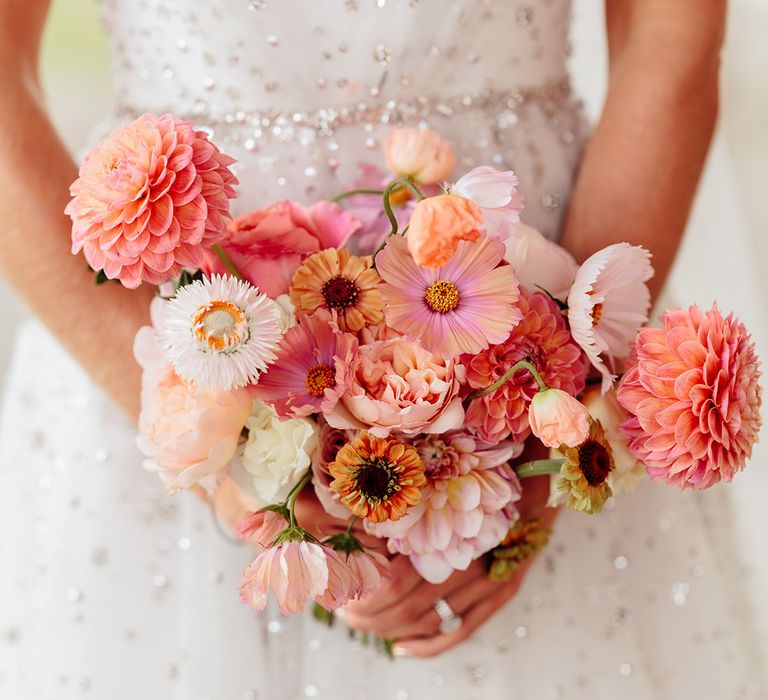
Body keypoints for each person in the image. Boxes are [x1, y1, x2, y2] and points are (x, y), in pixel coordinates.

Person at [2, 1, 763, 698]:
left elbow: (668, 36)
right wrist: (215, 443)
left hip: (532, 320)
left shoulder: (549, 405)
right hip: (170, 325)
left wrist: (557, 430)